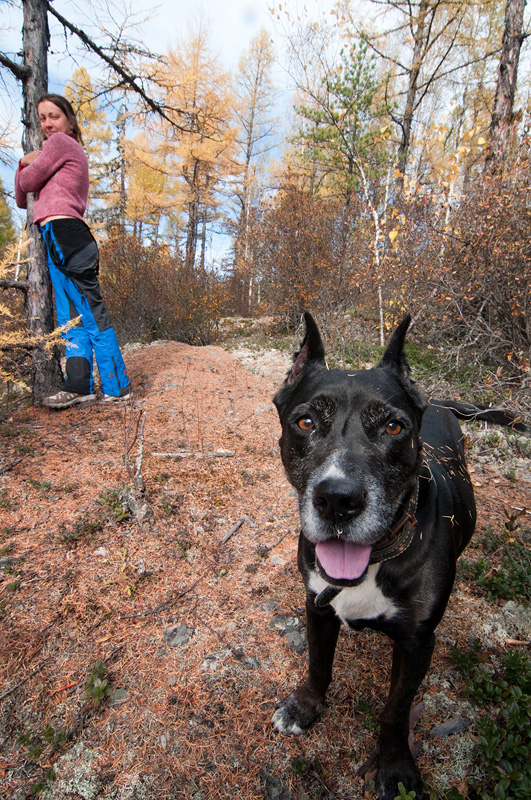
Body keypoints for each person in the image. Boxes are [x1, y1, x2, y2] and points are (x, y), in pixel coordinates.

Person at [15, 93, 130, 409]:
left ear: (69, 120)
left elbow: (27, 181)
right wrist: (25, 163)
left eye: (54, 116)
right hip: (54, 235)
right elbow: (21, 196)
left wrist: (26, 162)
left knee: (91, 313)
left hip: (68, 235)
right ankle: (78, 385)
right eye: (42, 118)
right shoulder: (51, 151)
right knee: (70, 319)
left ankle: (118, 386)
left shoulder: (61, 144)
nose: (47, 124)